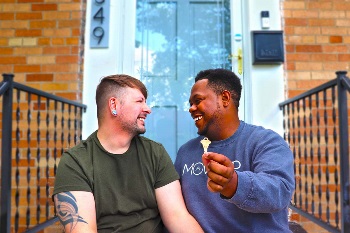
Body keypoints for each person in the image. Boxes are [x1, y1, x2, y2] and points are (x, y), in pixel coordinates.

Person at [53, 74, 203, 233]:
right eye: (140, 101)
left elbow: (178, 217)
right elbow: (83, 229)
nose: (148, 109)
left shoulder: (155, 153)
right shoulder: (76, 162)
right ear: (114, 105)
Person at [174, 68, 295, 233]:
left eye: (198, 100)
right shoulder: (186, 152)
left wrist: (234, 183)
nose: (191, 108)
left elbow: (279, 193)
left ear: (225, 98)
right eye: (190, 104)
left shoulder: (265, 141)